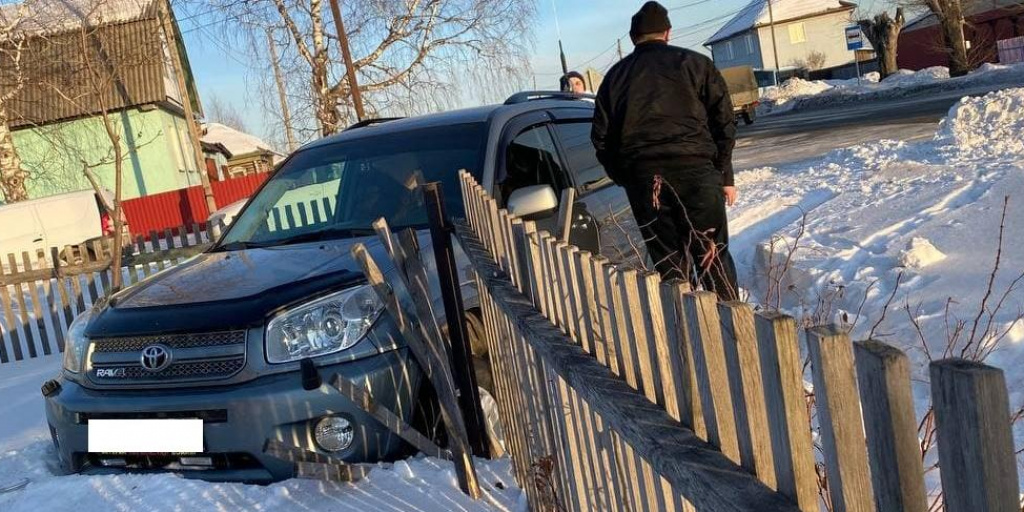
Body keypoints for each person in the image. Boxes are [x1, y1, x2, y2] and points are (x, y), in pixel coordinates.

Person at [592, 1, 739, 300]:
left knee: (670, 266)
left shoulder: (615, 77)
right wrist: (723, 172)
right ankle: (730, 332)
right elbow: (724, 122)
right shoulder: (696, 64)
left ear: (633, 38)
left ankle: (686, 332)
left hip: (647, 181)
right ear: (668, 33)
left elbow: (601, 140)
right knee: (713, 257)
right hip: (698, 173)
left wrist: (629, 177)